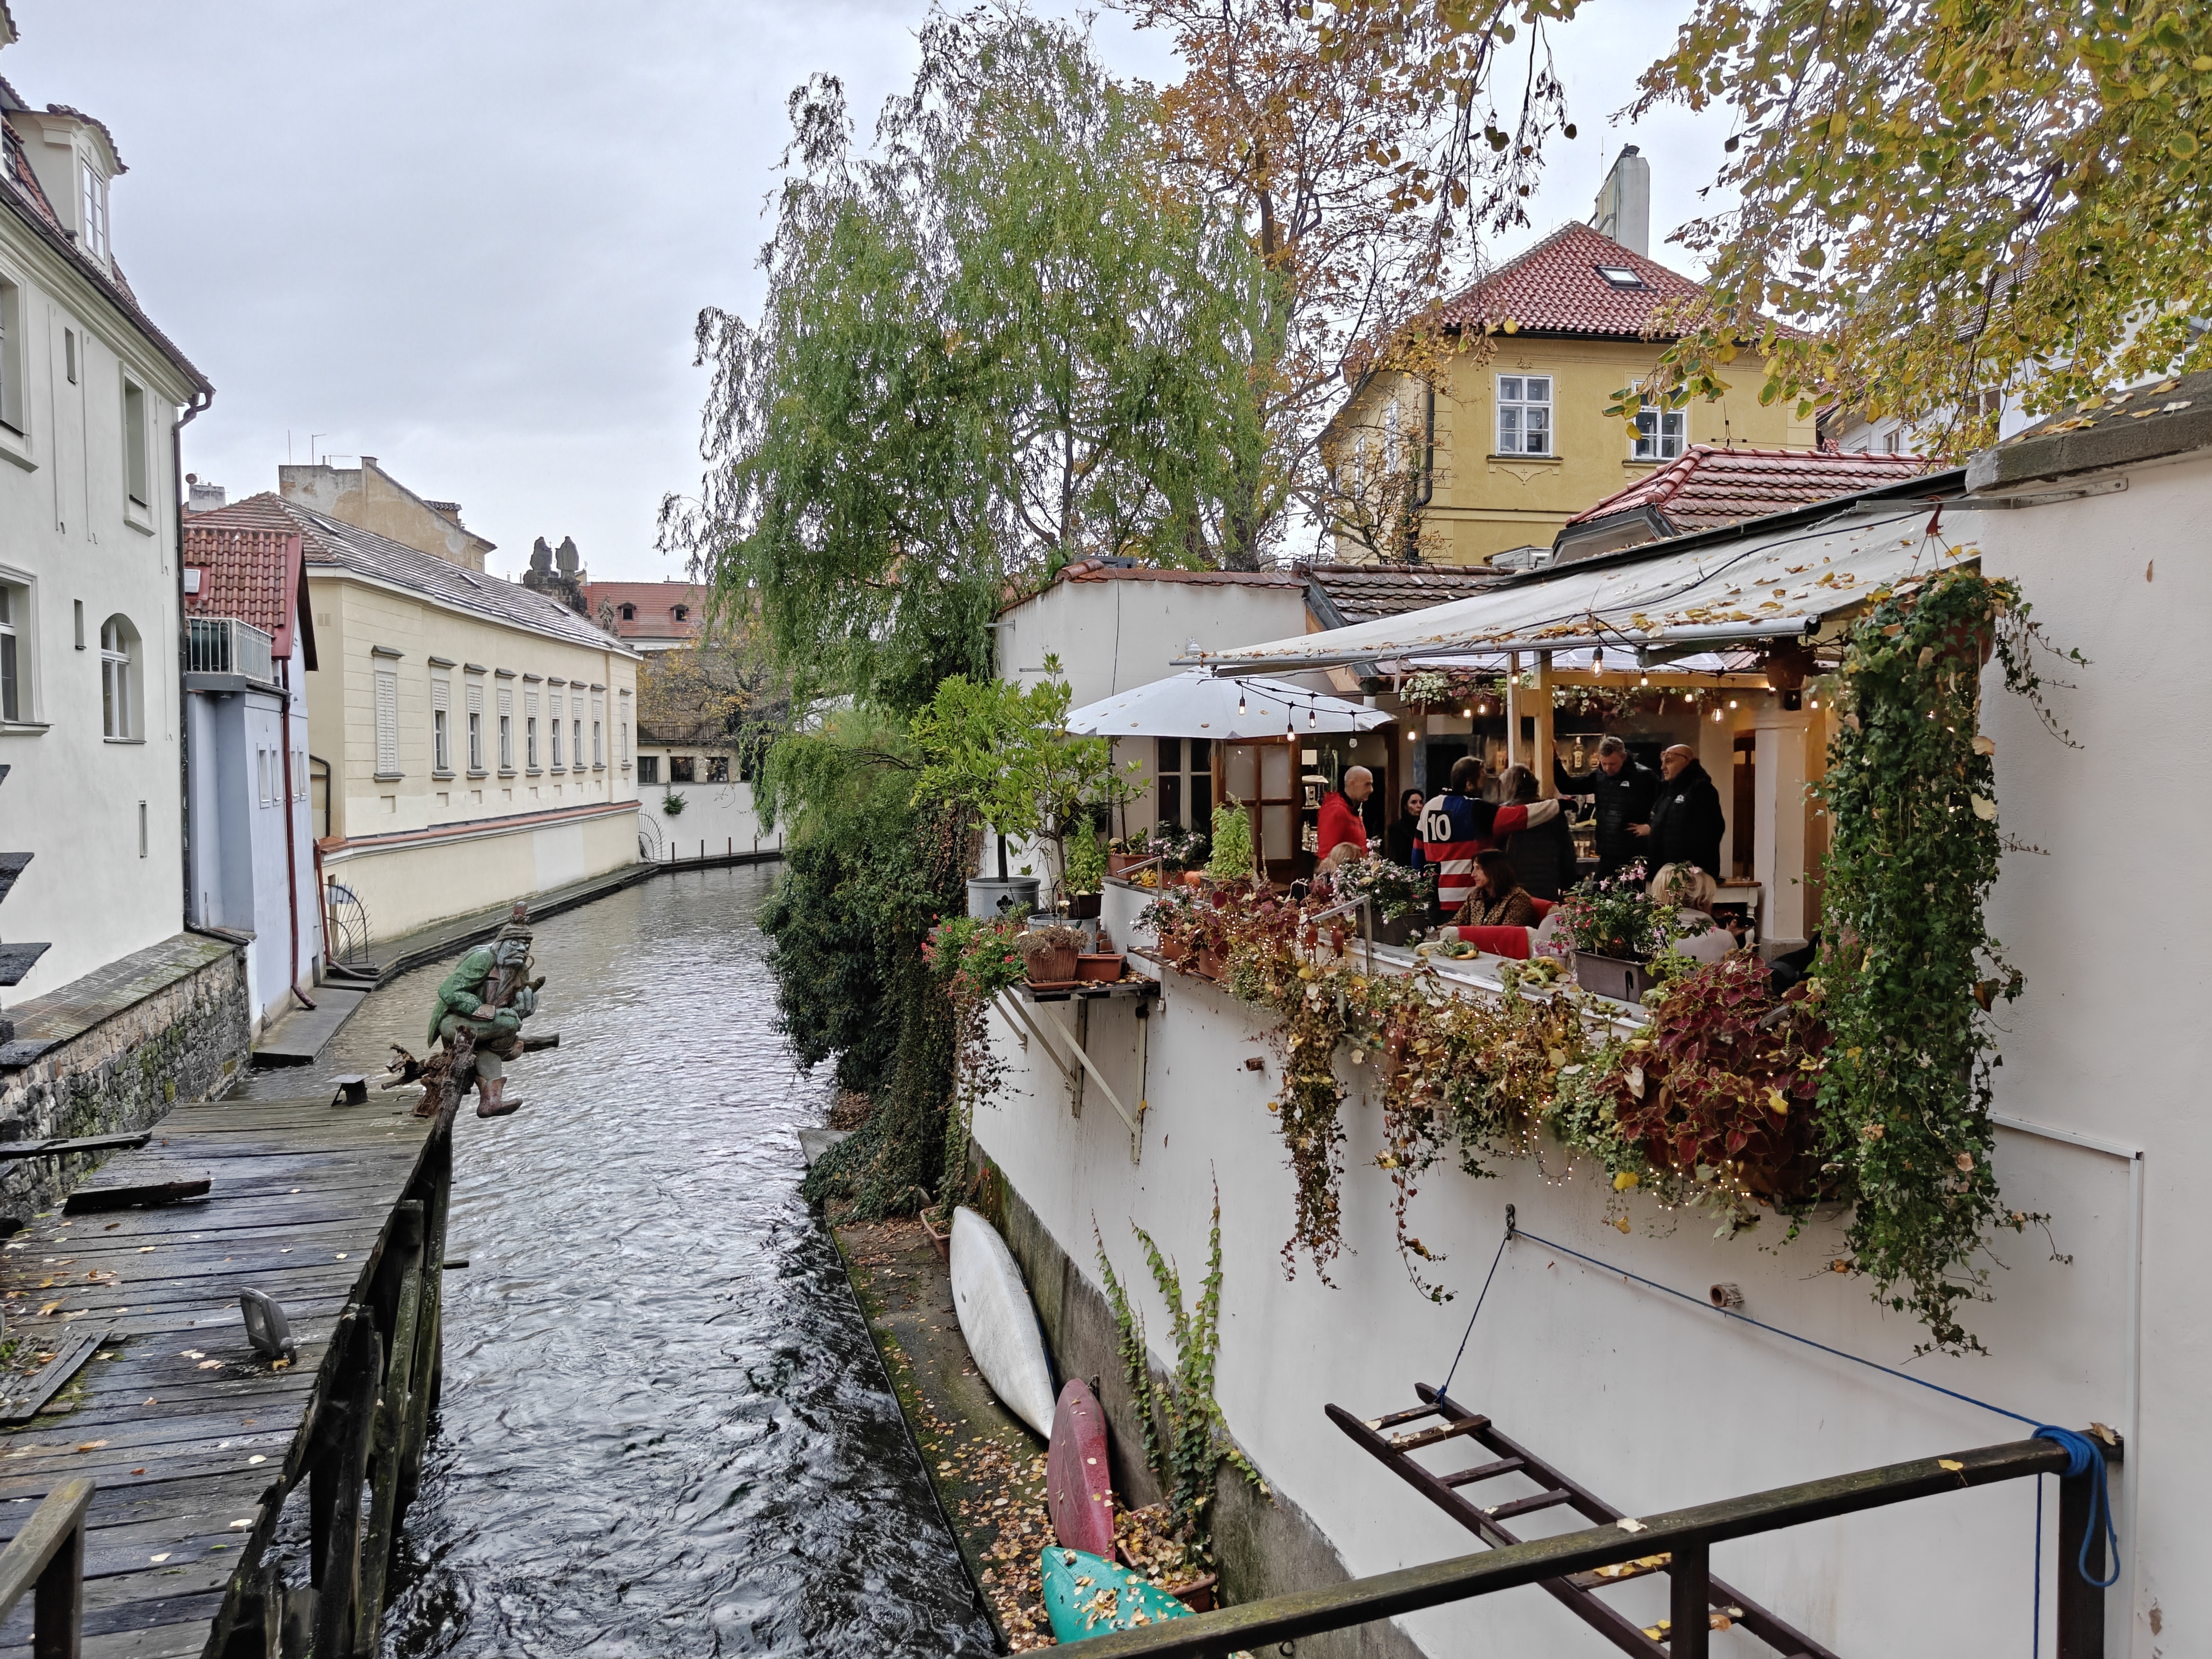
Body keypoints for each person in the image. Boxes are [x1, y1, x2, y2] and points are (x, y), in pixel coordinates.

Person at [426, 905, 542, 1117]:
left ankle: (491, 1102)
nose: (522, 950)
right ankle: (505, 1049)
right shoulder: (484, 959)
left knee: (502, 1031)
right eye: (515, 943)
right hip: (454, 1020)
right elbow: (449, 991)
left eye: (526, 945)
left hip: (480, 1025)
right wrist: (492, 1013)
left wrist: (524, 1007)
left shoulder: (517, 969)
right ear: (502, 943)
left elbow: (508, 1006)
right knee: (507, 1025)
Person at [1421, 755, 1562, 916]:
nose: (1485, 785)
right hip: (1469, 898)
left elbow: (1418, 856)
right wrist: (1556, 805)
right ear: (1469, 783)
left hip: (1437, 899)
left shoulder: (1429, 807)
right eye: (1482, 779)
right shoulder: (1475, 808)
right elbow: (1518, 817)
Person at [1554, 736, 1656, 880]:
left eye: (1613, 764)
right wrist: (1555, 760)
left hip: (1635, 854)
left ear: (1624, 757)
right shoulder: (1599, 776)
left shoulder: (1645, 777)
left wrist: (1651, 827)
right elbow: (1568, 786)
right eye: (1604, 764)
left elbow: (1666, 804)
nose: (1608, 769)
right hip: (1607, 853)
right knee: (1598, 895)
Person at [1643, 744, 1727, 878]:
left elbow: (1712, 832)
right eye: (1663, 762)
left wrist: (1691, 869)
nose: (1663, 767)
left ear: (1686, 761)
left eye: (1669, 761)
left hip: (1690, 876)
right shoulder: (1666, 791)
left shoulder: (1701, 789)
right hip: (1665, 874)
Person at [1498, 765, 1576, 900]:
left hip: (1514, 888)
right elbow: (1567, 851)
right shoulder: (1552, 810)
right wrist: (1568, 886)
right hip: (1547, 883)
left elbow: (1496, 853)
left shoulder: (1505, 813)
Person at [1648, 862, 1742, 965]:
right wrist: (1727, 938)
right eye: (1711, 897)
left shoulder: (1648, 934)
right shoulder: (1725, 939)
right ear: (1700, 902)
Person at [1451, 849, 1540, 928]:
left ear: (1493, 870)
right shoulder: (1475, 895)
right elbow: (1456, 923)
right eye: (1474, 868)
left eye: (1478, 868)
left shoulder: (1518, 899)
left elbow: (1506, 936)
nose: (1473, 874)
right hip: (1473, 946)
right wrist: (1440, 931)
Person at [1316, 765, 1373, 871]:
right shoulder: (1336, 810)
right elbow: (1326, 854)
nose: (1371, 790)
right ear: (1352, 784)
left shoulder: (1349, 809)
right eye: (1367, 785)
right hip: (1342, 878)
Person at [1384, 787, 1425, 867]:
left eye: (1421, 802)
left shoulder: (1425, 827)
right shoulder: (1397, 829)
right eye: (1414, 803)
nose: (1419, 806)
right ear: (1406, 806)